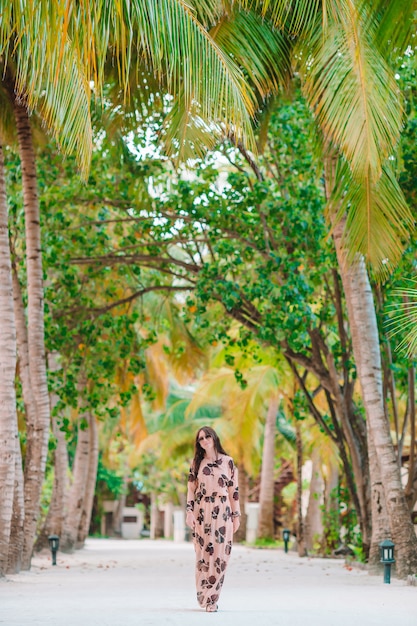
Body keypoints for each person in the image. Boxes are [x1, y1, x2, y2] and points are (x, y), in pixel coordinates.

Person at [186, 426, 241, 612]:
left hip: (223, 511)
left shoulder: (228, 462)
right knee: (203, 555)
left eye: (207, 436)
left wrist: (236, 515)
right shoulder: (196, 463)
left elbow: (234, 492)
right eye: (200, 439)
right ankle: (203, 593)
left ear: (214, 437)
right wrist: (189, 512)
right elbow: (191, 491)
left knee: (220, 555)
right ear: (199, 444)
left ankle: (213, 599)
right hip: (203, 512)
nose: (204, 440)